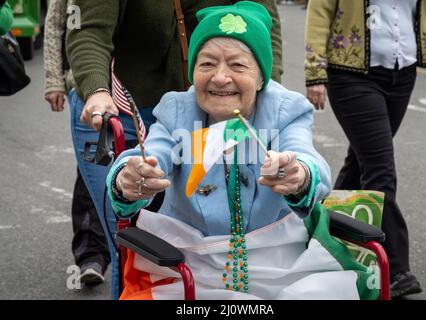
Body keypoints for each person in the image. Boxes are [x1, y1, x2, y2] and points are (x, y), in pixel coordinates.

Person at [106, 1, 380, 300]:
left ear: (261, 76)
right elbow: (149, 155)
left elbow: (305, 157)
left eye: (237, 65)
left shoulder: (286, 110)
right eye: (207, 64)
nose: (220, 77)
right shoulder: (177, 110)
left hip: (281, 263)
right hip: (188, 263)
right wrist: (129, 177)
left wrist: (299, 174)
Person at [67, 0, 283, 299]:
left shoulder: (274, 106)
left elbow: (264, 26)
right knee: (132, 240)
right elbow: (88, 30)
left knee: (212, 238)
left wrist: (263, 98)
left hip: (207, 103)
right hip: (120, 106)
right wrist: (96, 90)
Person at [304, 0, 426, 298]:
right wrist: (315, 72)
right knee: (379, 168)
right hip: (351, 73)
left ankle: (322, 239)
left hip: (402, 70)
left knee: (360, 162)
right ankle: (396, 268)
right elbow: (319, 12)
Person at [43, 0, 110, 284]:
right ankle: (91, 254)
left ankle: (136, 249)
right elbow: (55, 24)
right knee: (93, 169)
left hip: (135, 89)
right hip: (86, 89)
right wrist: (54, 81)